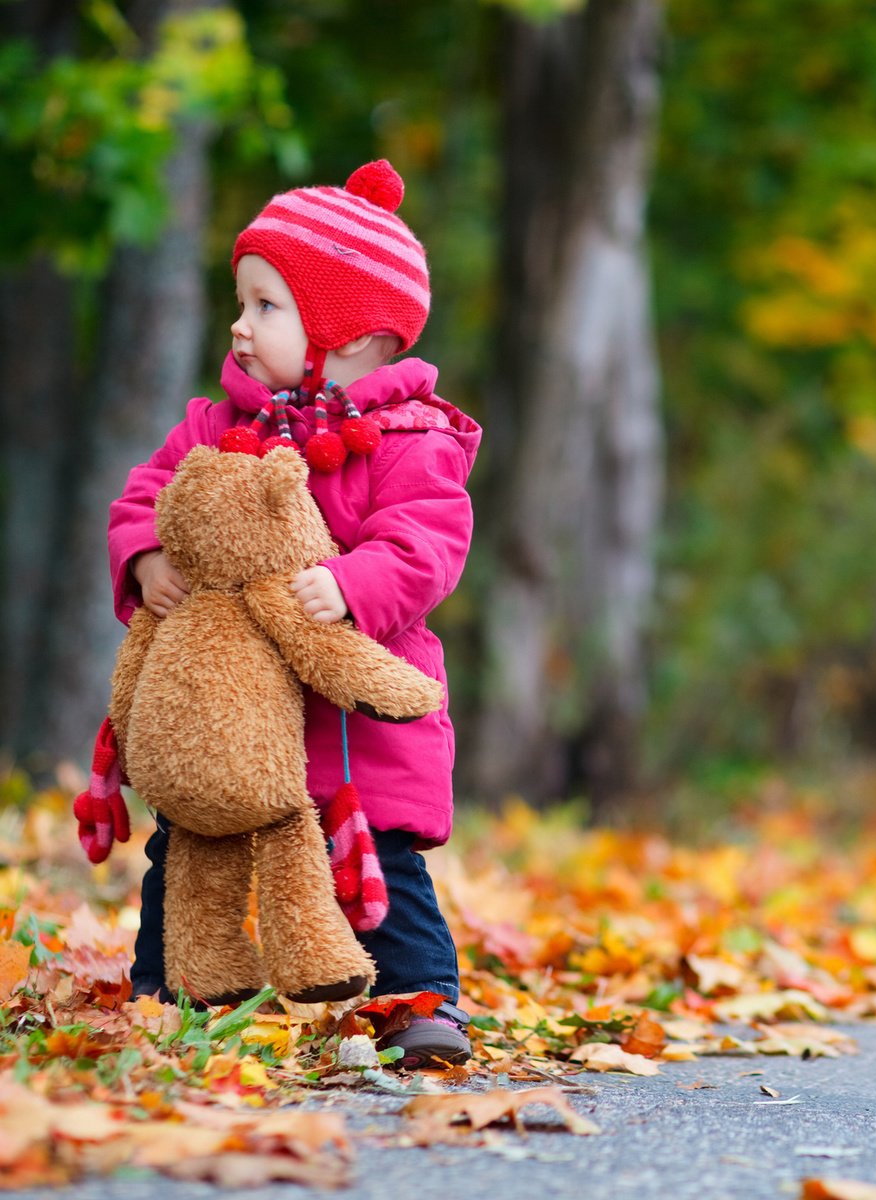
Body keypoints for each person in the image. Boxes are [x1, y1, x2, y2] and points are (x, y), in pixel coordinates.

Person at [106, 160, 481, 1068]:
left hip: (356, 725)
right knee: (186, 847)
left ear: (352, 335)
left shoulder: (408, 440)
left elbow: (428, 542)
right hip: (231, 716)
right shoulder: (214, 427)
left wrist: (354, 587)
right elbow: (144, 497)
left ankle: (417, 1003)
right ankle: (171, 990)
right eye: (242, 302)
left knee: (379, 867)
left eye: (267, 306)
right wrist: (147, 556)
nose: (239, 325)